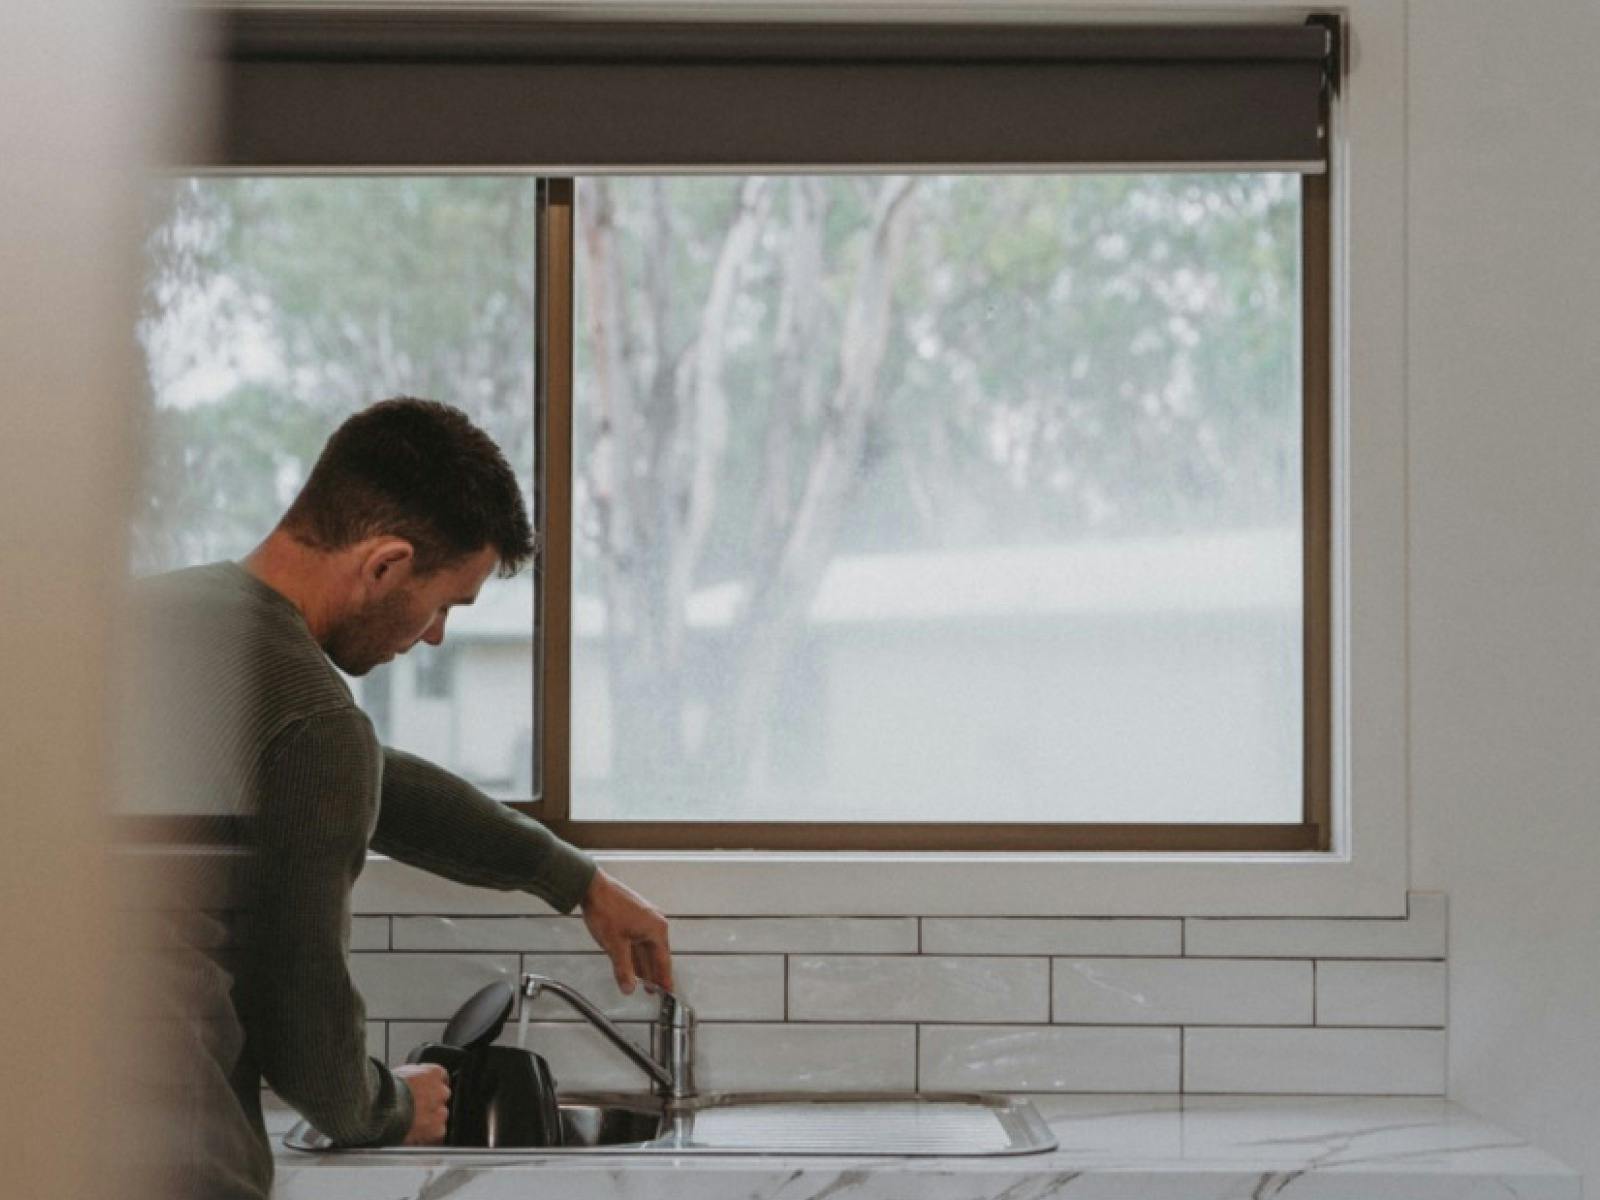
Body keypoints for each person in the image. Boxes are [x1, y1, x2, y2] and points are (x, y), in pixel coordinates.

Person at [127, 397, 672, 1197]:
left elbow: (369, 779)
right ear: (384, 564)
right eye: (445, 603)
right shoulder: (311, 716)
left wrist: (575, 880)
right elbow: (307, 1041)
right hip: (176, 1160)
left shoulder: (141, 622)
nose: (436, 635)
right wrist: (389, 1105)